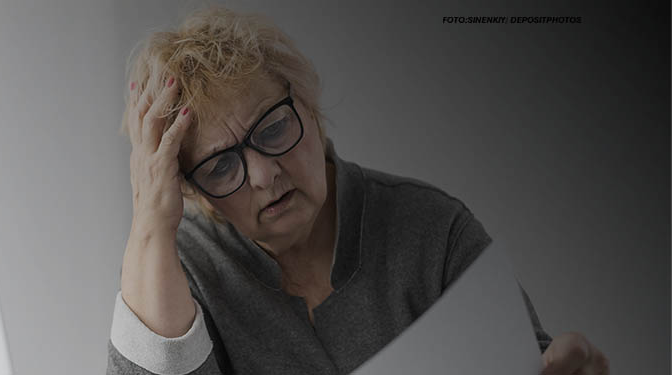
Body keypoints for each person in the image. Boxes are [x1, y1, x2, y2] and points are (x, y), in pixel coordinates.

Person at [107, 6, 609, 375]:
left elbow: (536, 361)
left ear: (308, 103)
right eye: (220, 167)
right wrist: (150, 227)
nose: (263, 175)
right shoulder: (183, 274)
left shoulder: (434, 229)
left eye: (273, 128)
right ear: (191, 190)